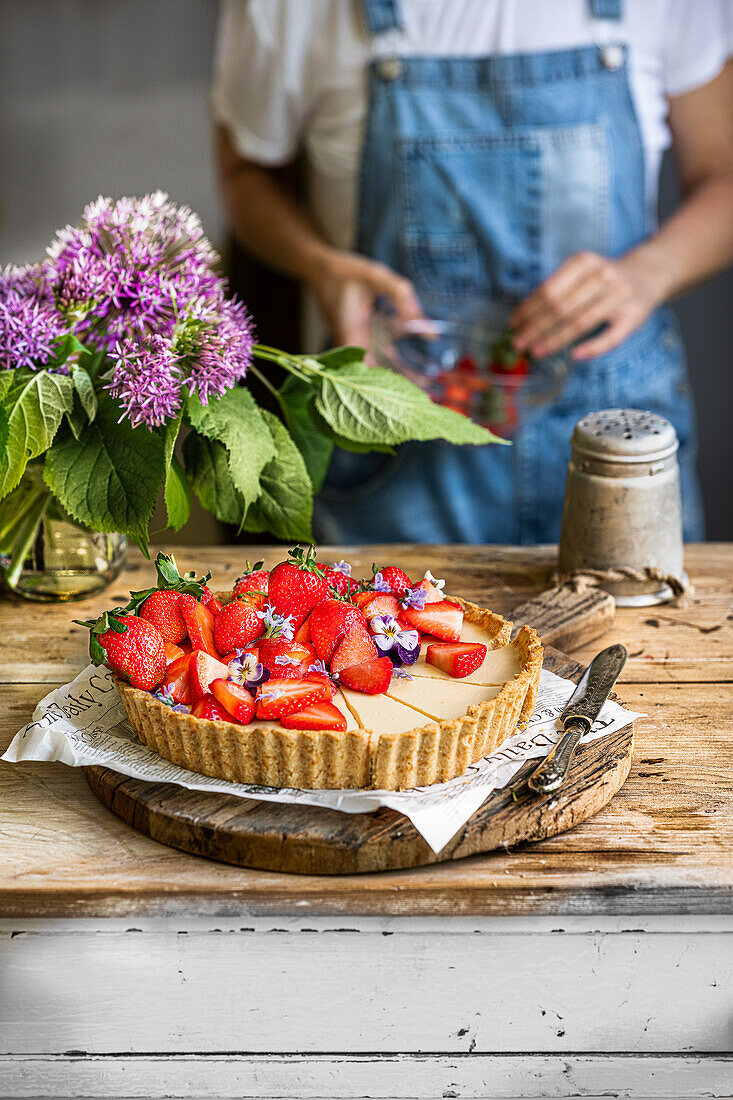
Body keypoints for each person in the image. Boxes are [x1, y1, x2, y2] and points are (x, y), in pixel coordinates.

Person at [212, 0, 733, 544]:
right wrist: (322, 269)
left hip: (620, 453)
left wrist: (650, 271)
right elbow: (244, 172)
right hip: (396, 452)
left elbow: (724, 174)